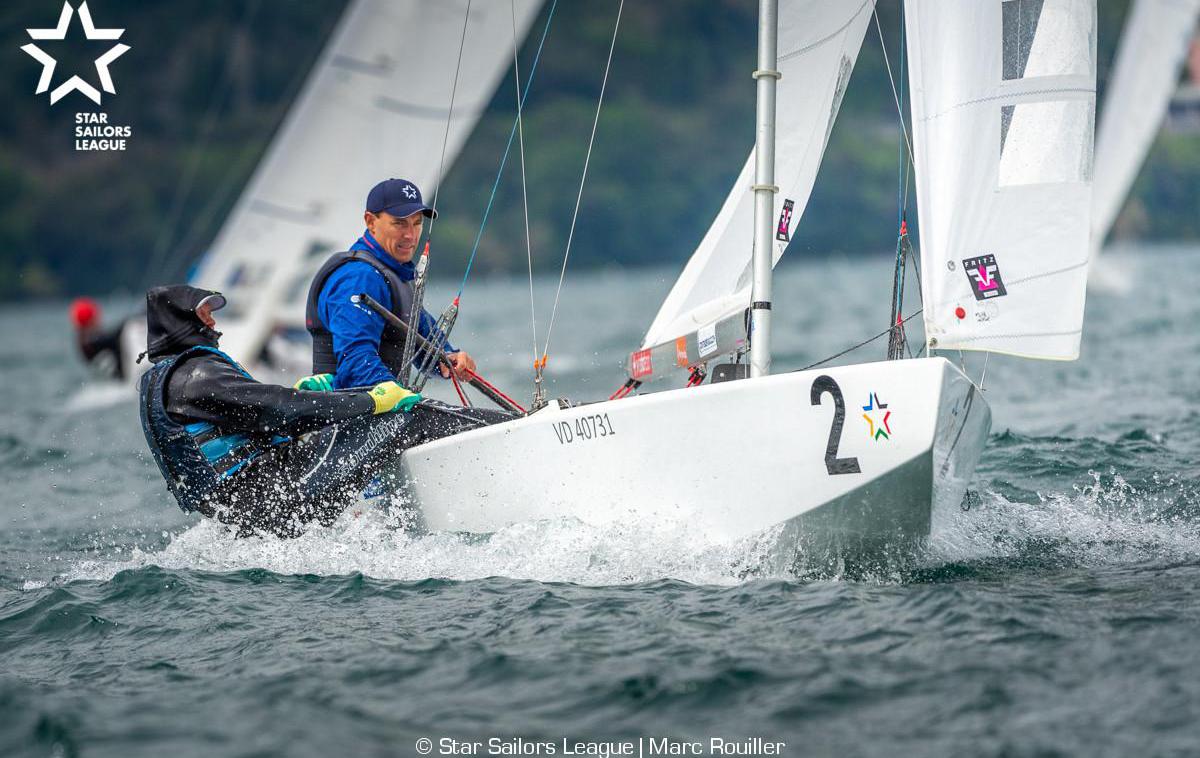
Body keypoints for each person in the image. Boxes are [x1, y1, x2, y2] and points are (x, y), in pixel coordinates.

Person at [137, 284, 507, 538]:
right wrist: (371, 401)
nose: (213, 323)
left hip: (252, 513)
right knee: (406, 415)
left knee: (373, 424)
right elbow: (283, 412)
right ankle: (514, 432)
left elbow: (256, 416)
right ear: (181, 321)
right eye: (204, 314)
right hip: (279, 498)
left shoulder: (165, 380)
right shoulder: (196, 375)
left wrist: (302, 390)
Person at [305, 178, 477, 390]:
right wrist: (396, 395)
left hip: (383, 410)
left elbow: (421, 339)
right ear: (370, 221)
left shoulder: (395, 276)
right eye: (399, 223)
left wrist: (448, 357)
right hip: (346, 415)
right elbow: (355, 360)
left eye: (417, 223)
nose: (410, 235)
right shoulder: (359, 277)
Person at [70, 297, 130, 380]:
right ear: (92, 320)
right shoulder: (91, 341)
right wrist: (130, 321)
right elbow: (114, 335)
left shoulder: (83, 340)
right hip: (122, 377)